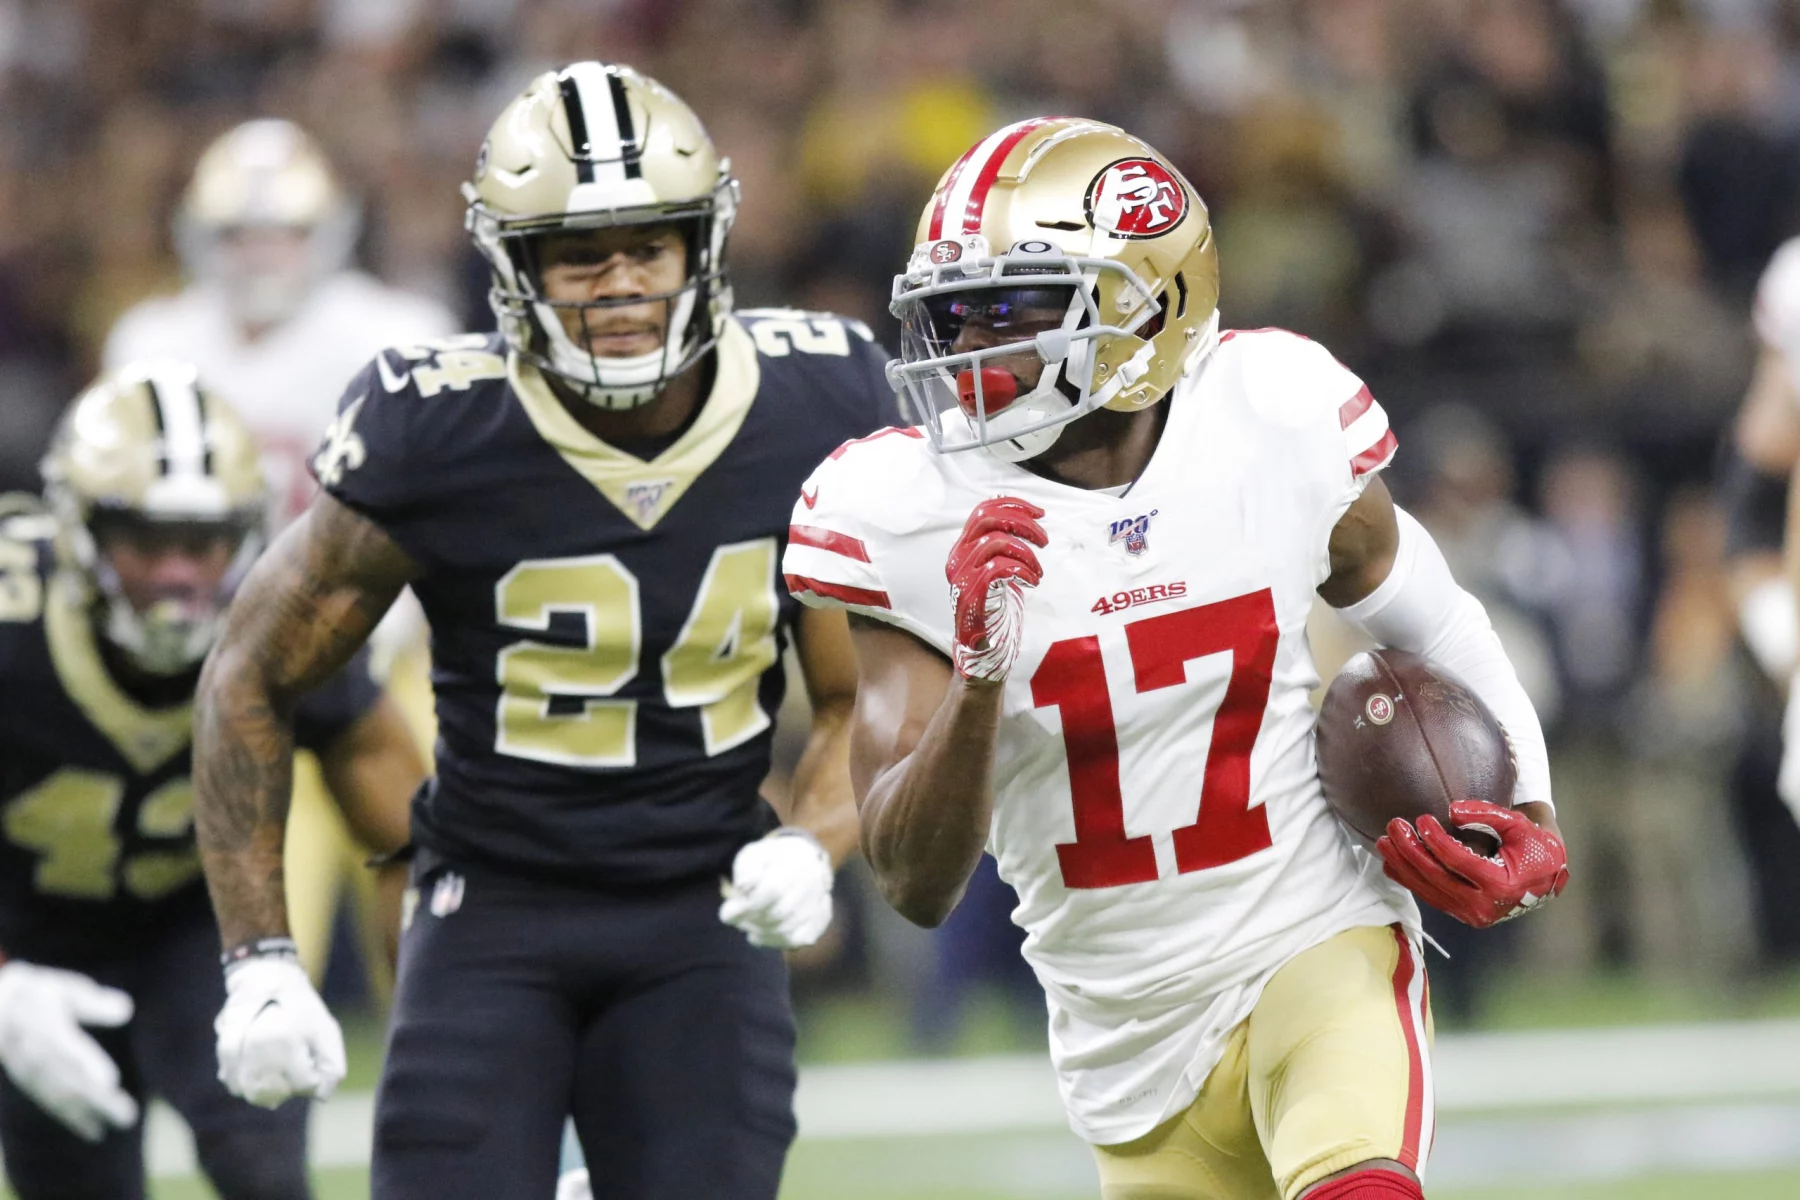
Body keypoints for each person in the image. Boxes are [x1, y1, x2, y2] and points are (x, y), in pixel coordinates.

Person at [785, 118, 1568, 1200]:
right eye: (953, 314)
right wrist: (978, 672)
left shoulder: (1271, 417)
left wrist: (1530, 811)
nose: (969, 352)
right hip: (1125, 1047)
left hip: (1315, 944)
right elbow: (913, 881)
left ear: (1142, 307)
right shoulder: (905, 514)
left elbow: (1432, 623)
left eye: (1012, 312)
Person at [191, 62, 896, 1199]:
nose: (618, 285)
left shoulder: (811, 403)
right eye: (579, 254)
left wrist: (815, 841)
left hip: (700, 914)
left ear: (700, 249)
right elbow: (250, 672)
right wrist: (260, 960)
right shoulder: (438, 426)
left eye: (647, 248)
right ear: (516, 268)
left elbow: (870, 698)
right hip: (491, 914)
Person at [0, 363, 419, 1200]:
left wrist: (438, 1027)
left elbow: (414, 837)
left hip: (200, 928)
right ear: (78, 529)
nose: (179, 575)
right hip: (28, 940)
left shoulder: (277, 620)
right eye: (143, 542)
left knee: (264, 1170)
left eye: (204, 542)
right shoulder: (15, 617)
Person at [104, 119, 459, 988]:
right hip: (241, 675)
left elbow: (451, 507)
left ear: (327, 232)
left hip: (395, 659)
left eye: (284, 231)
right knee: (254, 931)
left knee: (448, 908)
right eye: (240, 234)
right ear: (200, 239)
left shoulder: (394, 330)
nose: (263, 254)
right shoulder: (154, 340)